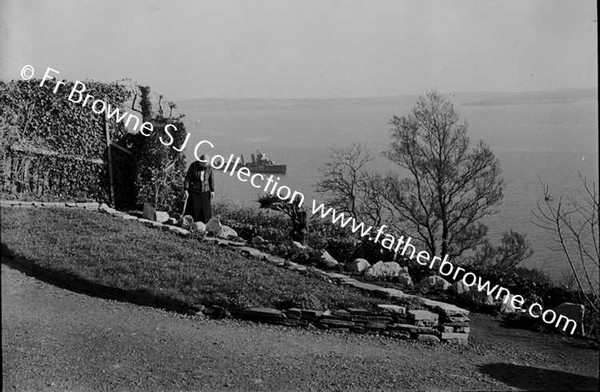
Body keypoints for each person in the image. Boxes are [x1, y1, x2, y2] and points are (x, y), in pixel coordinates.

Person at [183, 155, 214, 223]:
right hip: (194, 190)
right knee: (193, 209)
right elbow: (188, 178)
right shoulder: (193, 166)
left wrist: (212, 191)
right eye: (201, 162)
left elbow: (211, 180)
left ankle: (205, 224)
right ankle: (190, 223)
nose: (203, 164)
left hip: (205, 191)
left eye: (204, 163)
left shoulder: (209, 168)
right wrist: (186, 189)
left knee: (206, 211)